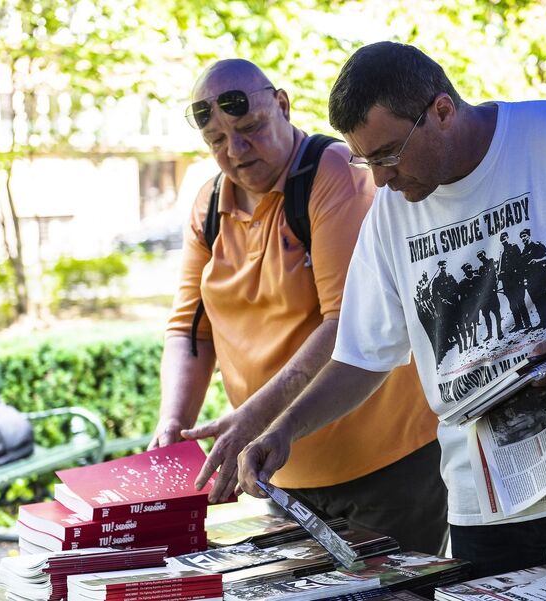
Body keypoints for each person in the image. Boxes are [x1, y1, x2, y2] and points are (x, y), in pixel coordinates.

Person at [236, 42, 546, 600]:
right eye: (368, 161)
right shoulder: (390, 213)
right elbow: (361, 356)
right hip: (482, 495)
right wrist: (284, 429)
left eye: (390, 153)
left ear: (442, 110)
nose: (383, 178)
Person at [151, 58, 447, 554]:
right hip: (282, 465)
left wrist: (251, 417)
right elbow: (189, 330)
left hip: (386, 463)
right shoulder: (208, 205)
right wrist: (171, 428)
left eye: (249, 128)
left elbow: (345, 322)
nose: (236, 151)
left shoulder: (330, 172)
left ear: (283, 105)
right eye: (218, 141)